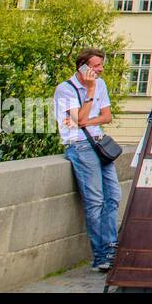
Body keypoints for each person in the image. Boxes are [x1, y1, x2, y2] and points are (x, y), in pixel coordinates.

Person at [54, 49, 120, 273]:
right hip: (79, 146)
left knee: (113, 196)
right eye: (96, 66)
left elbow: (107, 116)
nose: (100, 70)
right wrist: (90, 91)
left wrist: (87, 119)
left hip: (99, 142)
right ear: (83, 67)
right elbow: (77, 122)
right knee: (96, 201)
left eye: (101, 65)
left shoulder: (100, 84)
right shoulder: (66, 89)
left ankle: (111, 247)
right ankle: (101, 256)